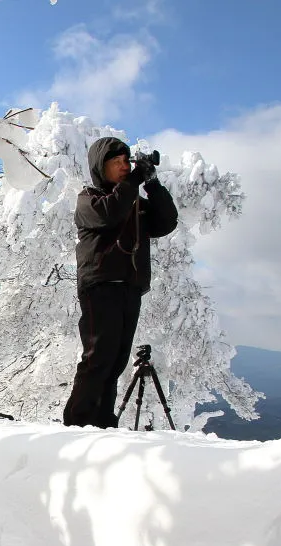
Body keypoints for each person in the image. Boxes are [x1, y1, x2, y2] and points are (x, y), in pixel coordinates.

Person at [62, 137, 179, 428]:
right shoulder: (89, 198)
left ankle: (101, 420)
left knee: (116, 359)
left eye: (127, 162)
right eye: (117, 163)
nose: (125, 168)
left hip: (130, 286)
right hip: (100, 284)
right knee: (99, 356)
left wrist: (151, 183)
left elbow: (166, 222)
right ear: (101, 167)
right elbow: (108, 215)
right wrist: (135, 182)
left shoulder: (133, 201)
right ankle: (77, 421)